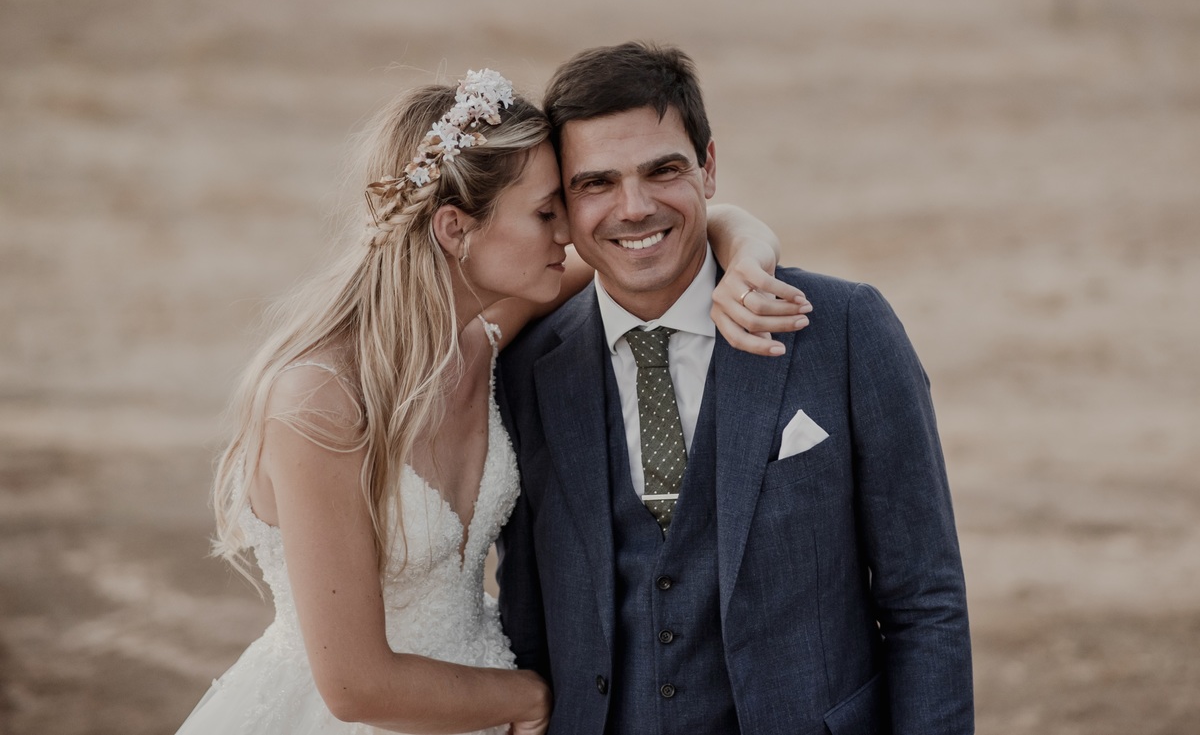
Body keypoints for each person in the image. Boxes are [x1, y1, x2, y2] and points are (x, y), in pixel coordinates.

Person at [174, 69, 803, 735]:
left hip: (480, 701)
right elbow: (355, 685)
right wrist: (532, 699)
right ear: (455, 228)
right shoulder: (320, 400)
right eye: (543, 213)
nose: (568, 233)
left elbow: (661, 243)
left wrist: (746, 258)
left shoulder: (488, 337)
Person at [495, 43, 974, 735]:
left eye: (663, 170)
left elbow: (924, 599)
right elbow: (528, 624)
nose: (634, 206)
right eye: (596, 183)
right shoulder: (526, 368)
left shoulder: (843, 328)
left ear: (709, 167)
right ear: (561, 210)